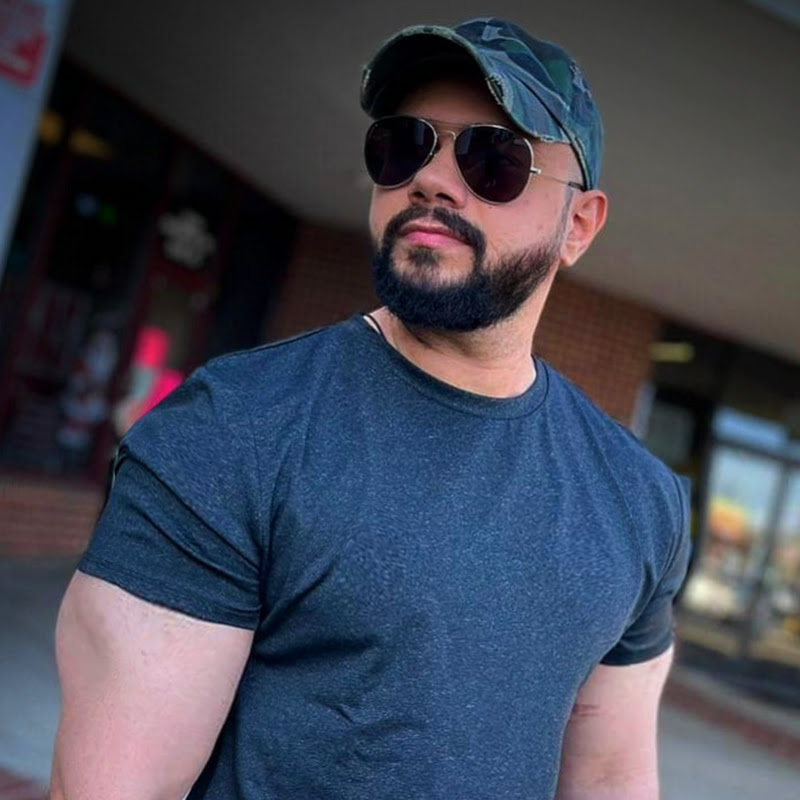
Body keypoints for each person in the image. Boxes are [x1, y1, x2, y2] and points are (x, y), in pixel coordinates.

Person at [51, 17, 691, 800]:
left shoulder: (639, 500)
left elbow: (610, 775)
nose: (432, 179)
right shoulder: (233, 430)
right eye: (404, 145)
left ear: (579, 225)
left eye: (493, 158)